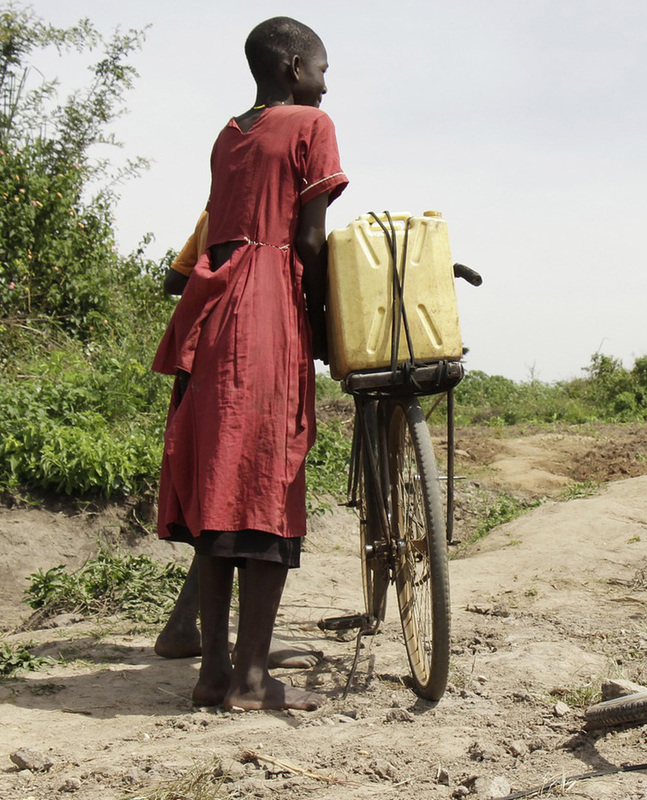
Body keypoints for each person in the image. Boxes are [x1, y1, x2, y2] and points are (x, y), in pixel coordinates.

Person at [152, 16, 348, 711]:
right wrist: (325, 327)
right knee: (268, 477)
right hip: (268, 307)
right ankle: (254, 682)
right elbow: (312, 239)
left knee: (219, 484)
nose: (328, 82)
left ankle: (213, 674)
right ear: (293, 66)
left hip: (211, 310)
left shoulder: (228, 133)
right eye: (323, 68)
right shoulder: (309, 125)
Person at [154, 212, 322, 671]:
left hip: (202, 355)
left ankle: (186, 627)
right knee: (252, 496)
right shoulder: (284, 221)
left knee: (223, 499)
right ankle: (248, 657)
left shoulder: (216, 214)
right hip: (244, 356)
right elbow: (311, 252)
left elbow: (176, 279)